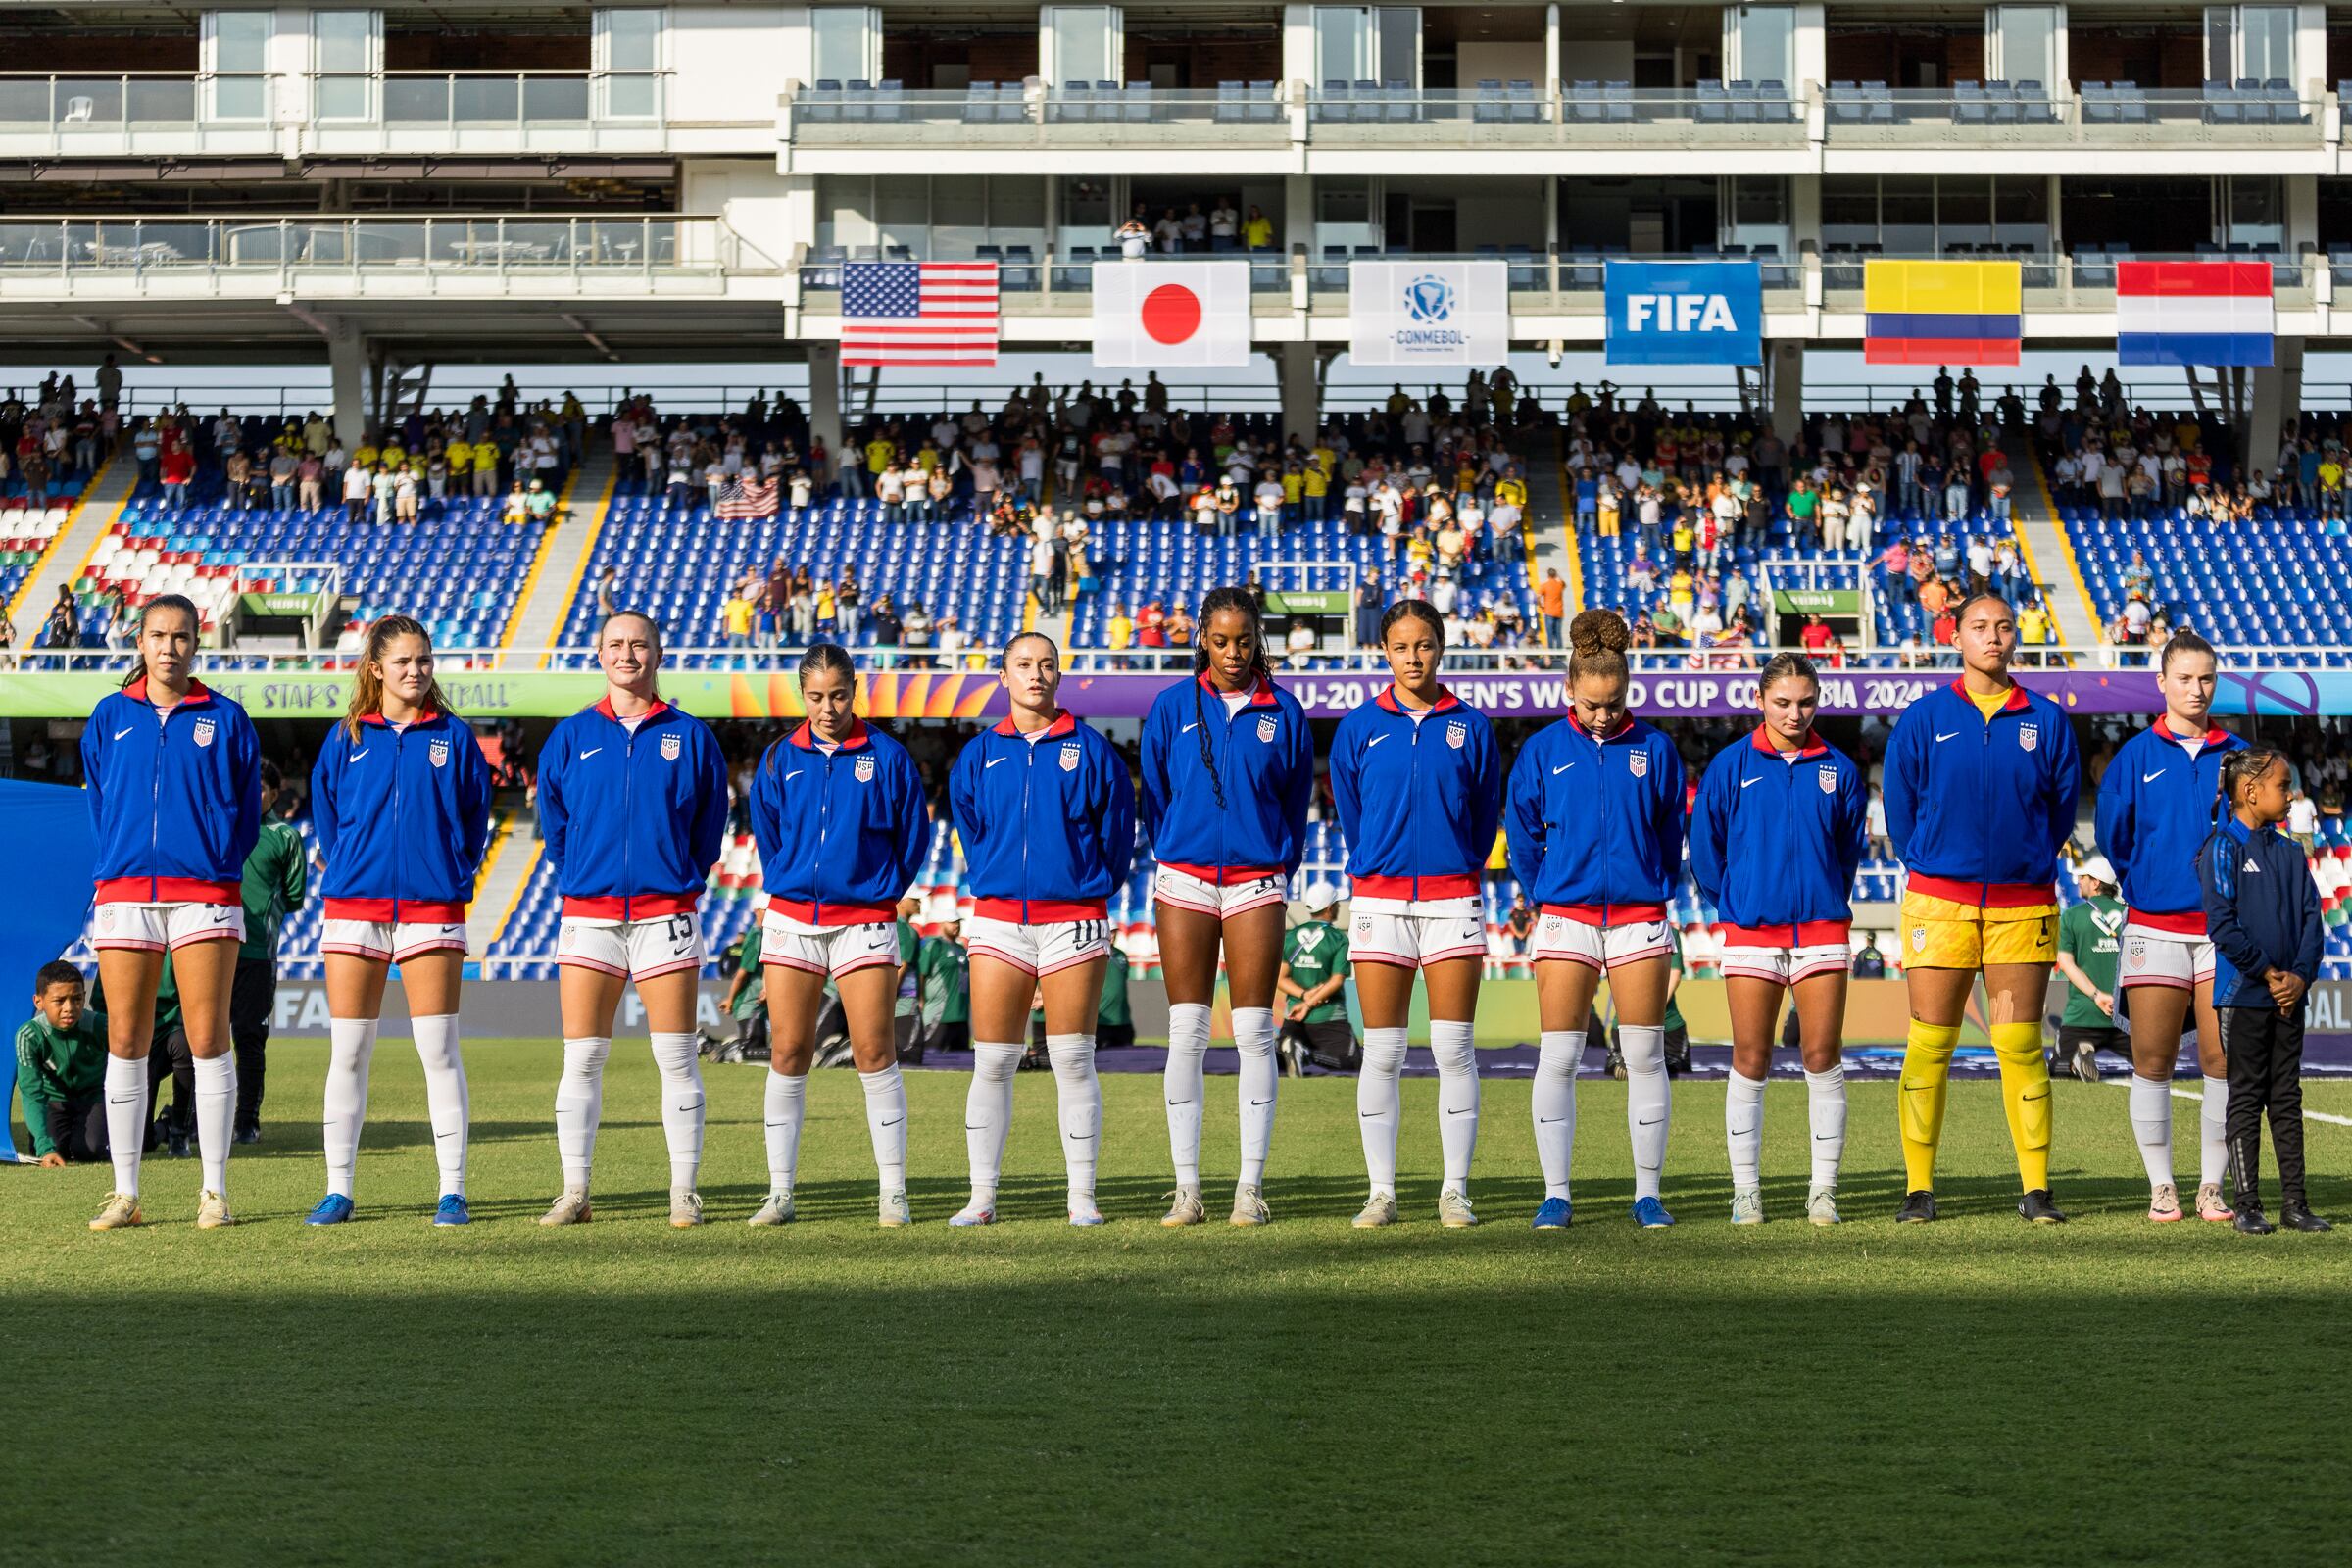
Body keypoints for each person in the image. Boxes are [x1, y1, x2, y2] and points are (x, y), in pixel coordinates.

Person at [1884, 591, 2081, 1224]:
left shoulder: (2047, 720)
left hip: (2022, 908)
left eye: (2002, 627)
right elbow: (1900, 806)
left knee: (2020, 1045)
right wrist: (1936, 861)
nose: (1992, 637)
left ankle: (2037, 1190)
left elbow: (2058, 812)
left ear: (2014, 636)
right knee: (1929, 1046)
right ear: (1957, 637)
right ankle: (1919, 1190)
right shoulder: (1924, 717)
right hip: (1940, 904)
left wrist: (2021, 862)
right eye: (1979, 627)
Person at [535, 611, 729, 1227]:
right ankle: (576, 1190)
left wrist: (674, 878)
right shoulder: (568, 737)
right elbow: (556, 827)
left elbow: (708, 828)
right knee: (582, 1058)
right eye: (616, 644)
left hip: (664, 912)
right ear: (599, 655)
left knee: (676, 1058)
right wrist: (585, 878)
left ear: (657, 654)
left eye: (639, 644)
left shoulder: (692, 737)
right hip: (589, 913)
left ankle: (683, 1192)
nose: (627, 654)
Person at [78, 593, 262, 1230]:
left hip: (205, 894)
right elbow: (103, 802)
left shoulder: (228, 718)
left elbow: (244, 816)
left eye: (181, 637)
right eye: (158, 635)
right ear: (140, 642)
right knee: (126, 1041)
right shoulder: (108, 717)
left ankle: (214, 1192)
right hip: (126, 892)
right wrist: (129, 860)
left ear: (196, 644)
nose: (169, 647)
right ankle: (125, 1194)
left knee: (209, 1039)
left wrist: (211, 863)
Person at [302, 616, 493, 1226]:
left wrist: (446, 873)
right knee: (349, 1052)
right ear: (376, 668)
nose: (416, 671)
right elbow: (330, 822)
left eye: (425, 660)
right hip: (355, 908)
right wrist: (356, 868)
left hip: (431, 908)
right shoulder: (345, 737)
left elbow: (473, 823)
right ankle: (339, 1190)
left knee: (438, 1050)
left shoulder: (456, 739)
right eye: (404, 661)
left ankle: (453, 1190)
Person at [946, 632, 1136, 1226]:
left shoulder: (1093, 750)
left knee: (1072, 1059)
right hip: (1000, 919)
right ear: (1003, 676)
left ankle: (1081, 1198)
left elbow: (1118, 835)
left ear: (1060, 675)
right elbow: (972, 830)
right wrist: (997, 879)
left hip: (1073, 919)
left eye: (1046, 665)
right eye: (1023, 665)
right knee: (993, 1061)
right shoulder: (979, 755)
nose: (1036, 674)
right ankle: (982, 1198)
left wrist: (1084, 889)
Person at [1505, 609, 1686, 1231]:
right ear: (1569, 692)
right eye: (1591, 705)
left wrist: (1651, 887)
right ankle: (1557, 1193)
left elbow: (1668, 834)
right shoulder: (1541, 751)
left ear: (1628, 690)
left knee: (1644, 1056)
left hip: (1638, 917)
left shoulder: (1657, 749)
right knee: (1559, 1057)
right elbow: (1524, 838)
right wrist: (1547, 892)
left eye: (1614, 703)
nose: (1603, 715)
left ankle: (1648, 1194)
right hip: (1566, 917)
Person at [1140, 587, 1312, 1228]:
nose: (1233, 652)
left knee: (1253, 1034)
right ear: (1202, 641)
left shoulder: (1285, 712)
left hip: (1256, 882)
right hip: (1183, 879)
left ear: (1258, 640)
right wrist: (1181, 849)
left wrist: (1271, 862)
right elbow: (1155, 795)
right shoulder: (1168, 707)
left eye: (1244, 640)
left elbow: (1294, 803)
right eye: (1221, 640)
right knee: (1185, 1032)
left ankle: (1249, 1189)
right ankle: (1187, 1190)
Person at [745, 643, 933, 1229]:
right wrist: (792, 884)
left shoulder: (889, 756)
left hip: (864, 922)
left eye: (839, 695)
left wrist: (879, 891)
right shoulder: (780, 759)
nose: (828, 708)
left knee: (875, 1054)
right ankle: (780, 1193)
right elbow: (769, 836)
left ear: (856, 690)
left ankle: (893, 1193)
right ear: (802, 696)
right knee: (788, 1052)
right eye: (817, 697)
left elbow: (912, 837)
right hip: (792, 920)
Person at [1331, 600, 1502, 1229]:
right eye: (1402, 647)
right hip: (1379, 897)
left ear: (1441, 647)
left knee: (1454, 1048)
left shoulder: (1473, 727)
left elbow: (1484, 815)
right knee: (1382, 1051)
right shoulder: (1358, 727)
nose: (1413, 657)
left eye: (1424, 645)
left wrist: (1456, 861)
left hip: (1452, 897)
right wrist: (1379, 861)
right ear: (1385, 653)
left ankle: (1454, 1190)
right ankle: (1382, 1191)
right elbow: (1353, 812)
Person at [1689, 653, 1867, 1227]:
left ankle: (1823, 1190)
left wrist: (1818, 899)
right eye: (1783, 702)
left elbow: (1845, 855)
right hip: (1750, 932)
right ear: (1760, 700)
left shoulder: (1838, 768)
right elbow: (1707, 853)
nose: (1795, 713)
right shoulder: (1728, 766)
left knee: (1821, 1057)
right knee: (1750, 1056)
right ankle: (1747, 1191)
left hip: (1821, 930)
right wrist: (1739, 904)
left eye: (1806, 701)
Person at [2093, 631, 2245, 1224]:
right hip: (2154, 927)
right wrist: (2152, 883)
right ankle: (2162, 1186)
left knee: (2221, 1058)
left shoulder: (2239, 755)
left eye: (2206, 678)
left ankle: (2212, 1185)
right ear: (2162, 683)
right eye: (2184, 678)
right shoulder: (2134, 757)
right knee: (2152, 1061)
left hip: (2222, 932)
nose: (2196, 689)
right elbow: (2116, 838)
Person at [2200, 748, 2328, 1233]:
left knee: (2287, 1098)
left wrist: (2299, 976)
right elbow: (2222, 925)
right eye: (2283, 785)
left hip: (2288, 997)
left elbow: (2312, 921)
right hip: (2244, 994)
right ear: (2251, 792)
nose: (2292, 794)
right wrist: (2268, 973)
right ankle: (2247, 1204)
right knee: (2247, 1097)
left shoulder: (2291, 851)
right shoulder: (2223, 847)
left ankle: (2295, 1204)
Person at [229, 760, 307, 1144]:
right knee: (199, 1038)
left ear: (274, 794)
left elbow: (294, 898)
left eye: (260, 788)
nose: (252, 794)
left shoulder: (285, 837)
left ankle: (246, 1120)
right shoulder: (221, 828)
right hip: (211, 950)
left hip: (258, 953)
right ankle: (189, 1119)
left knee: (249, 1038)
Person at [16, 961, 135, 1166]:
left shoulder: (102, 1026)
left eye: (77, 999)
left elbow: (128, 1073)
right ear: (38, 1001)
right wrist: (45, 1147)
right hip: (54, 1101)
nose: (69, 1008)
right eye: (59, 1000)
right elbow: (31, 1093)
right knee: (50, 1150)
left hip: (94, 1098)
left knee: (88, 1150)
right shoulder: (28, 1036)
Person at [2051, 856, 2127, 1086]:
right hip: (2127, 1015)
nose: (2078, 882)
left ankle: (2077, 1055)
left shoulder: (2072, 916)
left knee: (2058, 1069)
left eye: (2083, 878)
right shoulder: (2130, 915)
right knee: (2153, 1066)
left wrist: (2096, 995)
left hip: (2082, 1016)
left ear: (2096, 883)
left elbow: (2065, 962)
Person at [1276, 886, 1355, 1073]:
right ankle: (1306, 1055)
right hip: (1329, 1016)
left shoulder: (1291, 937)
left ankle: (1294, 1049)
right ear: (1330, 907)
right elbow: (1336, 981)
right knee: (1352, 1062)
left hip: (1294, 1016)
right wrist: (1309, 1003)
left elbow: (1280, 979)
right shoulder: (1338, 939)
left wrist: (1304, 996)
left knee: (1278, 1062)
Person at [913, 920, 970, 1057]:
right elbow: (921, 973)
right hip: (939, 1016)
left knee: (962, 1061)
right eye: (952, 922)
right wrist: (920, 998)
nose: (956, 925)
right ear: (941, 923)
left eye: (958, 922)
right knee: (932, 1058)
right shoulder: (934, 945)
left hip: (961, 1016)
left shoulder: (961, 948)